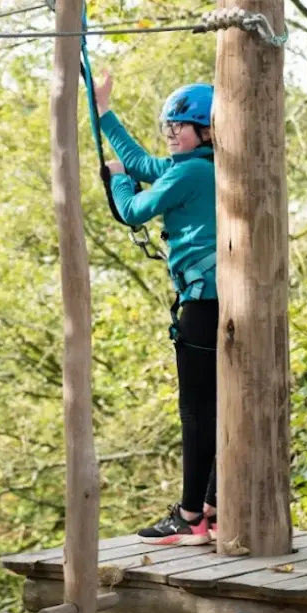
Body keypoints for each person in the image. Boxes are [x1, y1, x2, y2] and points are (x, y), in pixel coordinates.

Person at [94, 76, 218, 545]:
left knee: (197, 409)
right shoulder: (202, 166)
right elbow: (148, 163)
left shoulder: (189, 173)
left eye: (181, 127)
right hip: (214, 299)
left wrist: (120, 183)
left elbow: (135, 209)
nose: (171, 133)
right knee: (217, 406)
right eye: (169, 125)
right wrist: (105, 115)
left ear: (206, 130)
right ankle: (212, 504)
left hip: (201, 304)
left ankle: (189, 515)